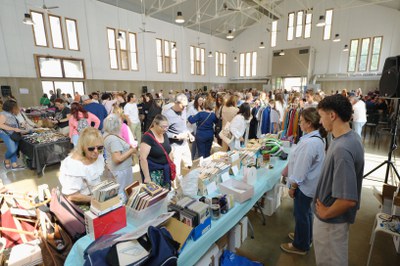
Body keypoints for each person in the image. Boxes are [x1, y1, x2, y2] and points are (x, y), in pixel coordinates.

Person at [313, 94, 364, 266]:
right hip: (333, 221)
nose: (320, 122)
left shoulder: (342, 149)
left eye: (321, 116)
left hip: (331, 222)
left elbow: (348, 199)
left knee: (329, 261)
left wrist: (326, 213)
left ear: (332, 115)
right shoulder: (351, 137)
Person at [280, 107, 326, 255]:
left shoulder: (309, 143)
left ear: (309, 123)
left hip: (305, 187)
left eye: (301, 121)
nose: (299, 124)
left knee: (301, 215)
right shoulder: (315, 138)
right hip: (310, 185)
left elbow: (301, 171)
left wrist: (293, 187)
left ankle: (300, 245)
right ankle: (305, 237)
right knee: (306, 214)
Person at [58, 127, 105, 203]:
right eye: (91, 148)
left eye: (100, 147)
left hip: (96, 197)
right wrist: (94, 200)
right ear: (83, 147)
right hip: (82, 203)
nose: (96, 151)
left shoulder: (98, 155)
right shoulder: (74, 165)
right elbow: (71, 196)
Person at [103, 114, 136, 203]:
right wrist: (131, 150)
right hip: (120, 170)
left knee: (121, 193)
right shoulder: (113, 139)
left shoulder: (109, 136)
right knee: (122, 195)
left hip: (119, 170)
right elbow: (117, 159)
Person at [163, 93, 193, 180]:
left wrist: (189, 134)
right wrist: (176, 136)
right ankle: (176, 187)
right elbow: (163, 132)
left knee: (189, 165)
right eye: (183, 106)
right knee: (176, 169)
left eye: (186, 106)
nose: (184, 108)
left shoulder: (183, 110)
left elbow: (184, 126)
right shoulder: (167, 114)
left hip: (184, 143)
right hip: (175, 146)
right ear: (176, 102)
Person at [139, 114, 173, 189]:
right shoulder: (147, 137)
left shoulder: (164, 134)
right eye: (162, 127)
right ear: (155, 124)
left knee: (166, 195)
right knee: (156, 195)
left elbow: (168, 150)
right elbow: (143, 158)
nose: (165, 129)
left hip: (165, 170)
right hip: (153, 172)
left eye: (167, 126)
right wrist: (147, 177)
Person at [0, 100, 25, 170]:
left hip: (15, 134)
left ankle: (14, 164)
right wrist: (14, 129)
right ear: (10, 107)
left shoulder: (11, 113)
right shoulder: (3, 114)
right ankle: (6, 159)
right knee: (12, 149)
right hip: (6, 134)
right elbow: (0, 125)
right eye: (15, 106)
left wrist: (20, 125)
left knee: (15, 148)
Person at [186, 94, 204, 160]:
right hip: (193, 129)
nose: (201, 101)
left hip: (201, 130)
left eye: (202, 100)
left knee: (199, 147)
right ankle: (192, 160)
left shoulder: (203, 108)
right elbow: (188, 118)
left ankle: (198, 159)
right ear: (196, 100)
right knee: (193, 146)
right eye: (199, 100)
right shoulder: (192, 108)